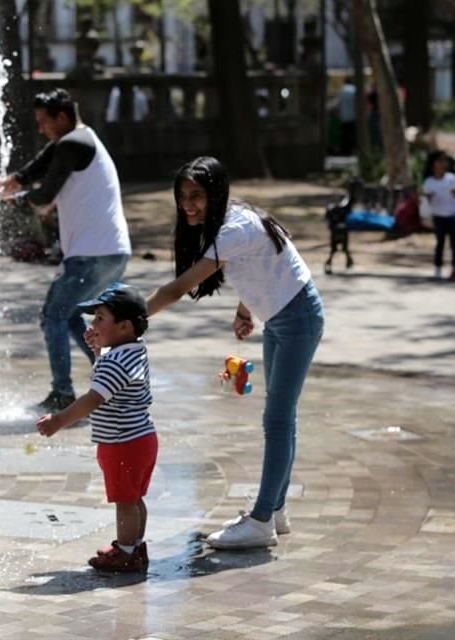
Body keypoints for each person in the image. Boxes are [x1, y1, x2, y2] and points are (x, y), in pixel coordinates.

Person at [137, 156, 324, 549]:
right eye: (182, 196)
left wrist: (129, 319)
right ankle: (275, 510)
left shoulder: (233, 229)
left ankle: (261, 521)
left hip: (297, 318)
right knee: (281, 417)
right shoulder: (231, 218)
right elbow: (263, 264)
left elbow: (176, 289)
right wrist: (245, 309)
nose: (187, 205)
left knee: (277, 420)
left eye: (196, 196)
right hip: (284, 316)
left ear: (215, 194)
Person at [0, 88, 132, 412]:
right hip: (111, 251)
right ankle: (114, 382)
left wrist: (18, 197)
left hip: (92, 254)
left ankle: (62, 393)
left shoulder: (74, 143)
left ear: (62, 117)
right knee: (69, 316)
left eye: (44, 122)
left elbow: (45, 195)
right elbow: (45, 160)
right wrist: (19, 178)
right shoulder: (80, 140)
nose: (40, 128)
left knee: (52, 316)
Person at [37, 284, 156, 573]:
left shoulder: (115, 361)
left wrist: (58, 421)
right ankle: (135, 547)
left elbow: (93, 399)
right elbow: (113, 378)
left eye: (100, 318)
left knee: (124, 501)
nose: (93, 324)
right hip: (141, 438)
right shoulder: (134, 350)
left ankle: (125, 553)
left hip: (121, 442)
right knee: (133, 498)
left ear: (124, 326)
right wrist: (100, 350)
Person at [422, 150, 455, 280]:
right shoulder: (429, 182)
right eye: (440, 161)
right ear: (433, 164)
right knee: (440, 243)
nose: (443, 164)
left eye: (444, 161)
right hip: (438, 216)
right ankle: (438, 267)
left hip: (453, 215)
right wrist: (428, 198)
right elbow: (426, 201)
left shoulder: (451, 178)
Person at [337, 77, 356, 155]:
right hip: (353, 116)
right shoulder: (354, 89)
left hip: (344, 116)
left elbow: (339, 103)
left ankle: (345, 150)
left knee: (345, 134)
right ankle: (353, 150)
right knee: (353, 134)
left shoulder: (342, 90)